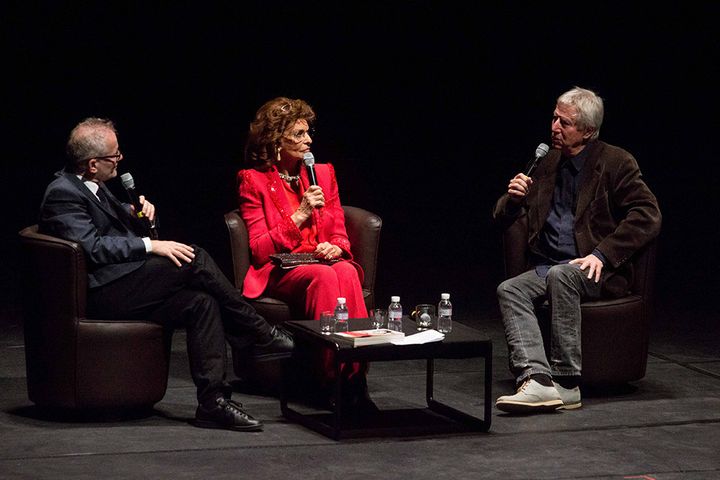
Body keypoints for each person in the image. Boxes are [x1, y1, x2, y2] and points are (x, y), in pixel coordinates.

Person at [39, 117, 294, 432]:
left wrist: (143, 215)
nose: (120, 160)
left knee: (201, 303)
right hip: (104, 292)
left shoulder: (97, 188)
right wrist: (150, 245)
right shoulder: (62, 193)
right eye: (114, 156)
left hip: (126, 283)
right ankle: (260, 333)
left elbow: (123, 231)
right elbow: (93, 247)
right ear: (92, 164)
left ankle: (212, 402)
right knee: (194, 259)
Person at [493, 87, 661, 413]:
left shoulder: (615, 162)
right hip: (550, 264)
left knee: (562, 274)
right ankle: (537, 380)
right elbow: (501, 216)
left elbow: (647, 214)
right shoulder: (545, 162)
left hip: (594, 268)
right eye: (554, 118)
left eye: (565, 123)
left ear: (588, 131)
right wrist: (512, 200)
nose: (554, 127)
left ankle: (567, 383)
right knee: (509, 289)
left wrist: (603, 254)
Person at [236, 97, 372, 410]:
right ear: (275, 141)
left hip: (322, 259)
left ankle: (355, 375)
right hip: (282, 268)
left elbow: (337, 224)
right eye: (298, 134)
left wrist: (336, 245)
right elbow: (259, 249)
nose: (308, 139)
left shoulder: (323, 173)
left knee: (347, 270)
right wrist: (300, 214)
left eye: (308, 132)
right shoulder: (253, 181)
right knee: (324, 277)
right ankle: (330, 378)